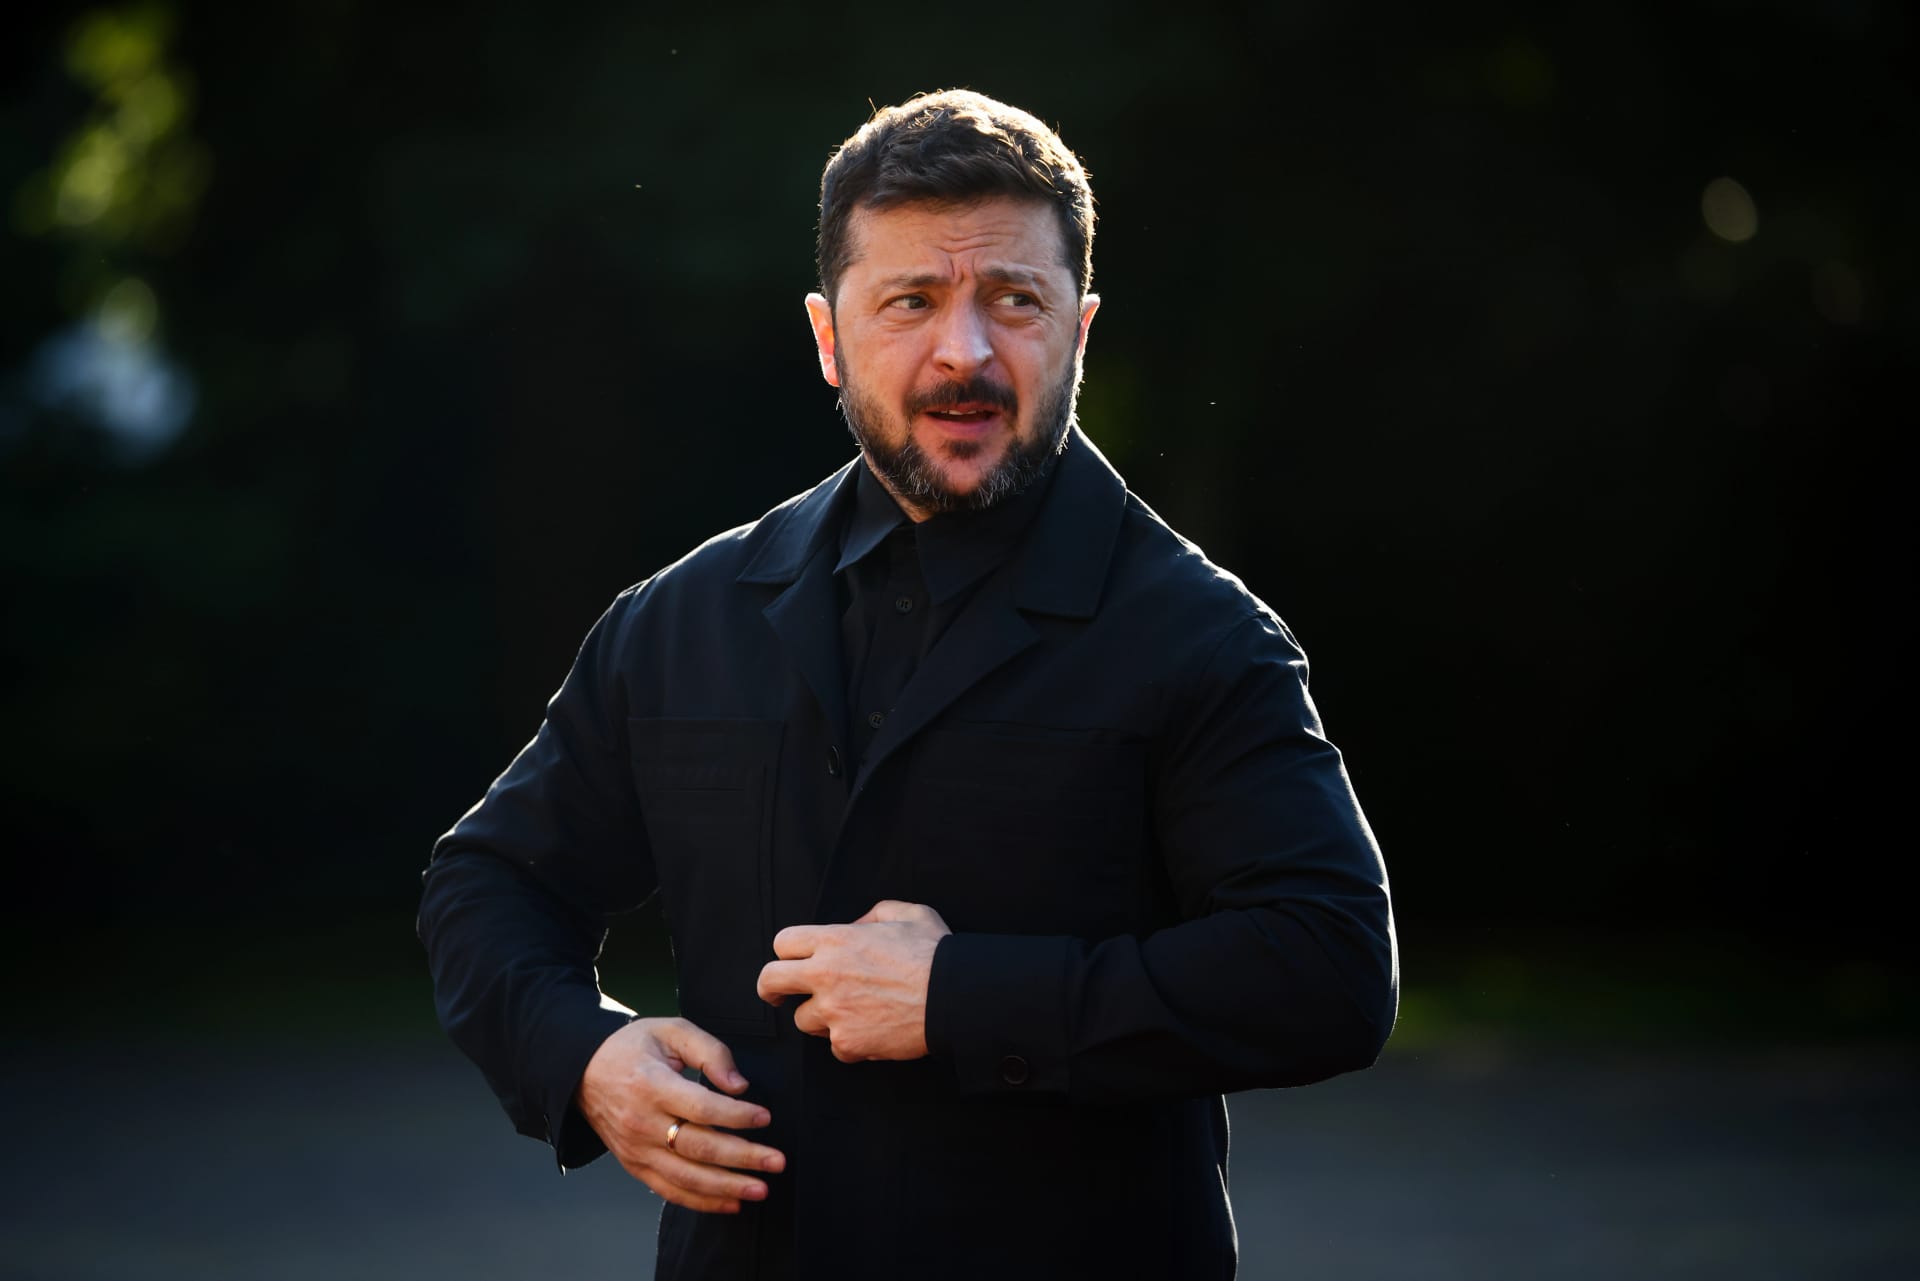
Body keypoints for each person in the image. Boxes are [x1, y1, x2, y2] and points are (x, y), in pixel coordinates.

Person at [419, 88, 1397, 1280]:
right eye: (912, 302)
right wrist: (582, 1058)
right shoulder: (682, 619)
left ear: (1078, 330)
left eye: (1014, 301)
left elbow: (1329, 969)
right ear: (830, 337)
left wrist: (962, 1000)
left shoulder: (1202, 636)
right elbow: (490, 882)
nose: (966, 351)